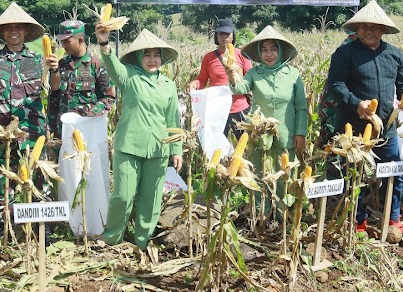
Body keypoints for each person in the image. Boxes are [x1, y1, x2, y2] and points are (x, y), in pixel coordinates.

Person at [0, 2, 59, 224]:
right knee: (3, 183)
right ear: (2, 33)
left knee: (38, 179)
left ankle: (41, 230)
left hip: (33, 133)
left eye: (18, 27)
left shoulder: (38, 60)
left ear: (26, 31)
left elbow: (55, 86)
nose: (14, 32)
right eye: (8, 28)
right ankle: (4, 231)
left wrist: (54, 69)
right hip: (2, 134)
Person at [326, 0, 403, 232]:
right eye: (363, 26)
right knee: (356, 176)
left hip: (386, 128)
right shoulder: (345, 53)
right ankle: (358, 221)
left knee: (393, 173)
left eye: (374, 26)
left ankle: (392, 217)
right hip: (353, 129)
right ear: (357, 29)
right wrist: (356, 104)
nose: (369, 31)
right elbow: (335, 85)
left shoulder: (394, 55)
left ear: (383, 30)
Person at [95, 25, 183, 251]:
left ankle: (142, 240)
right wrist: (104, 43)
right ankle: (112, 236)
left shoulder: (169, 85)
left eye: (156, 55)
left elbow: (173, 120)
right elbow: (112, 66)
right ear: (139, 58)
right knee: (123, 195)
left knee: (151, 198)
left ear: (162, 58)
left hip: (159, 148)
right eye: (147, 55)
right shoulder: (129, 77)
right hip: (129, 145)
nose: (152, 60)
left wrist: (177, 150)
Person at [225, 25, 307, 213]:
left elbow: (301, 107)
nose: (269, 54)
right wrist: (232, 76)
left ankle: (282, 213)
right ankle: (260, 212)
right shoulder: (254, 73)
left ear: (280, 51)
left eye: (273, 49)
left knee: (284, 174)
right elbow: (240, 88)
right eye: (264, 50)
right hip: (259, 133)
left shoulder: (293, 75)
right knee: (259, 173)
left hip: (287, 132)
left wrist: (300, 133)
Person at [47, 20, 115, 139]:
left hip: (88, 132)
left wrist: (89, 115)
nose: (63, 45)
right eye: (62, 41)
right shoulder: (61, 64)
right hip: (62, 131)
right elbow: (54, 96)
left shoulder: (97, 65)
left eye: (67, 41)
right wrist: (50, 126)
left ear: (80, 40)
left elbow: (108, 98)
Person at [188, 18, 252, 139]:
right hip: (217, 109)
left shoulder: (242, 55)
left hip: (240, 109)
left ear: (233, 36)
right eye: (221, 33)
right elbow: (202, 79)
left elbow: (250, 80)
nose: (224, 37)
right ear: (216, 36)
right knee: (218, 147)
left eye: (227, 34)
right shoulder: (209, 57)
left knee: (243, 146)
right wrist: (195, 84)